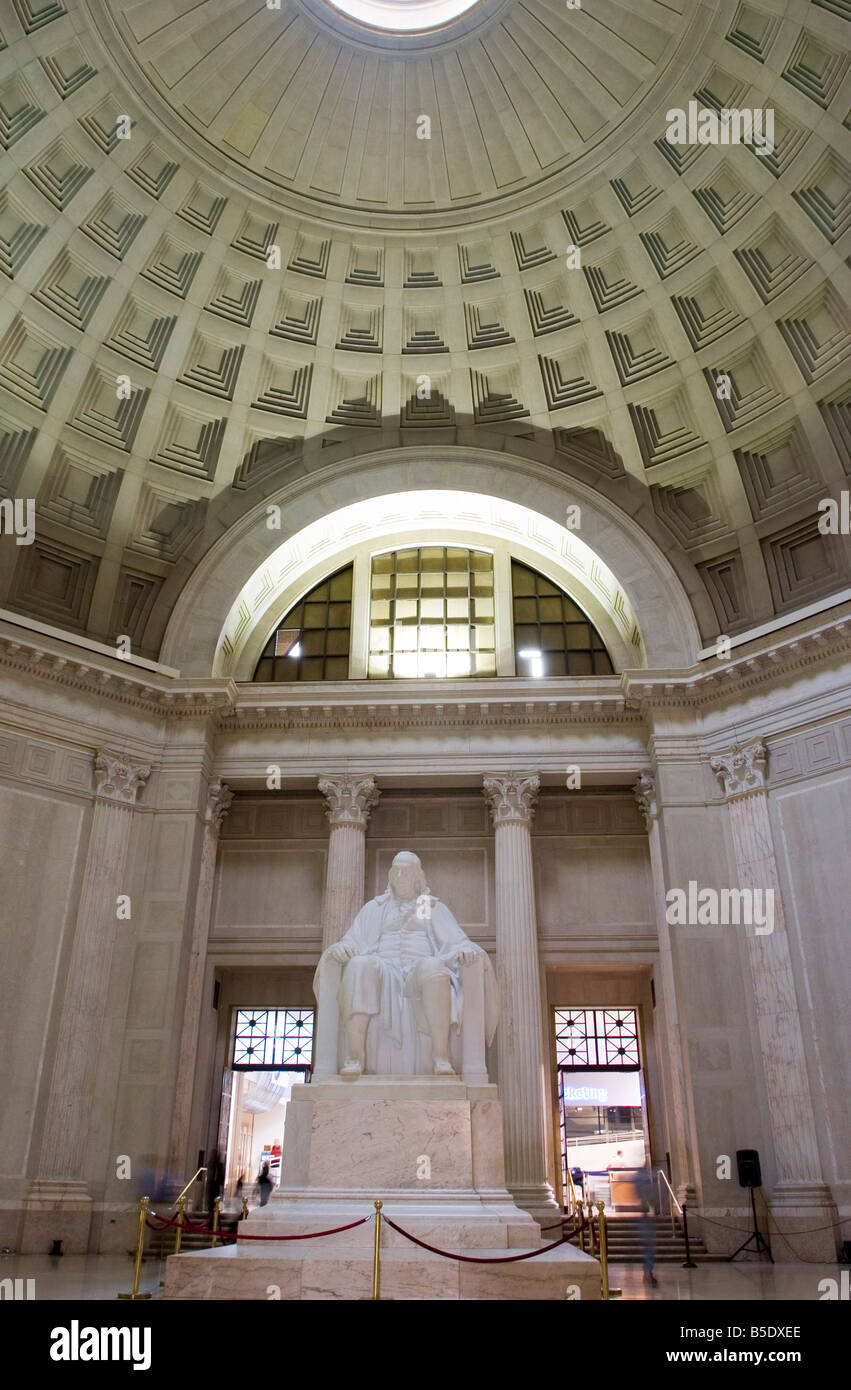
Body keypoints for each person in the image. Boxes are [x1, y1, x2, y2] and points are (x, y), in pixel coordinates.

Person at [317, 850, 498, 1077]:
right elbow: (352, 940)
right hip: (383, 970)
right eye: (396, 871)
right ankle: (355, 1056)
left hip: (418, 971)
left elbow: (457, 942)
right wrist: (340, 948)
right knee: (358, 965)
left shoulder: (428, 907)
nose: (401, 876)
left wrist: (465, 950)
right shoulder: (375, 908)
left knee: (434, 967)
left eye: (407, 871)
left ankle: (440, 1056)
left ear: (417, 876)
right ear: (390, 875)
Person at [631, 1165, 657, 1286]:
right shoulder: (643, 1177)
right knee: (648, 1243)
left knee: (648, 1243)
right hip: (645, 1216)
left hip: (645, 1215)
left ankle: (648, 1271)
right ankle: (648, 1271)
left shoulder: (640, 1176)